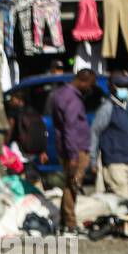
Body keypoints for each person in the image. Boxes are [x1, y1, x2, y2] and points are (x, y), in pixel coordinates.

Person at [46, 67, 95, 232]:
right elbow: (70, 128)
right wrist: (74, 156)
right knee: (72, 184)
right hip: (76, 149)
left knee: (70, 183)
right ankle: (70, 222)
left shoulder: (60, 94)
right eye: (90, 84)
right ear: (83, 80)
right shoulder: (72, 99)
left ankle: (63, 220)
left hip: (68, 147)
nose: (90, 88)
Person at [89, 73, 128, 201]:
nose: (124, 89)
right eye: (120, 86)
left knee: (117, 200)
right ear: (112, 88)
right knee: (123, 199)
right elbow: (94, 132)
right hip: (114, 162)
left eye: (126, 86)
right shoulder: (107, 108)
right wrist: (93, 160)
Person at [3, 90, 48, 182]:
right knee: (29, 175)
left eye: (13, 98)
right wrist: (42, 151)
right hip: (30, 151)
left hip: (17, 150)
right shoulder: (33, 111)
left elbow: (9, 130)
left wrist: (5, 145)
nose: (11, 101)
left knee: (15, 177)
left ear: (19, 99)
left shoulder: (14, 112)